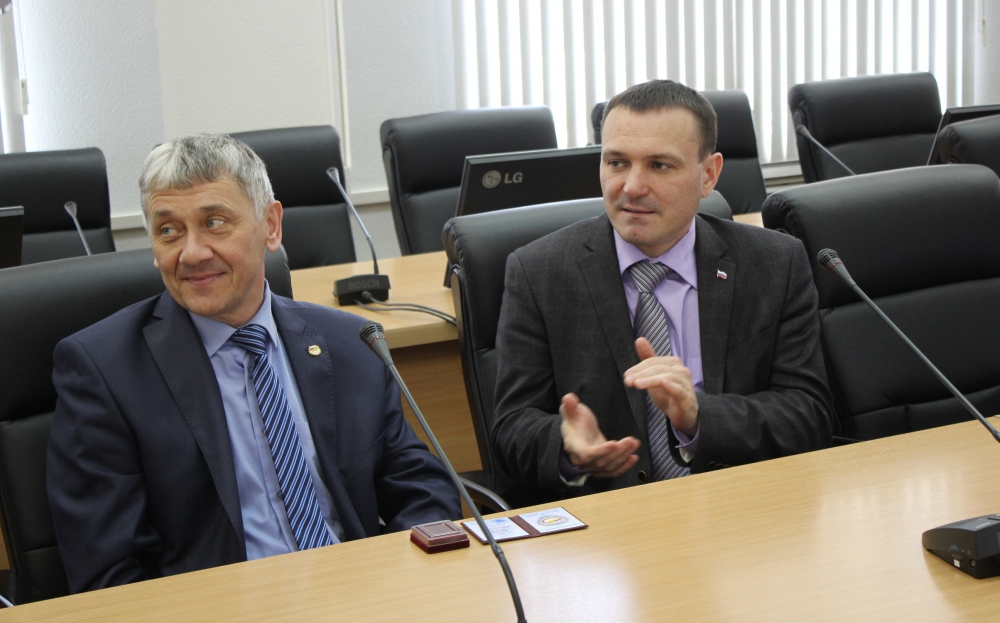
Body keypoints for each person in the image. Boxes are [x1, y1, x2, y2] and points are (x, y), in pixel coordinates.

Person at [47, 134, 460, 593]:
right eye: (169, 231)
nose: (192, 253)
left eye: (215, 223)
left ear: (271, 226)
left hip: (358, 593)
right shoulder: (104, 371)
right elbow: (108, 572)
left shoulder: (349, 343)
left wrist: (404, 585)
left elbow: (418, 484)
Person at [491, 80, 833, 497]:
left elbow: (808, 414)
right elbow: (511, 429)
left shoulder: (774, 263)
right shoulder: (539, 271)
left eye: (660, 166)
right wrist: (567, 446)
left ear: (708, 175)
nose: (632, 186)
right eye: (617, 162)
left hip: (739, 506)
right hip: (609, 518)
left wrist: (699, 417)